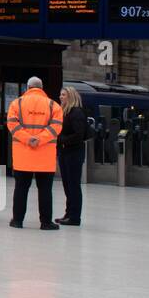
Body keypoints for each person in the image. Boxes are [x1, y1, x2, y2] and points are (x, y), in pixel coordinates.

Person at [7, 76, 63, 230]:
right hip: (45, 156)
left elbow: (12, 124)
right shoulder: (53, 106)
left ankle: (17, 220)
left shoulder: (16, 103)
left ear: (28, 87)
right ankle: (45, 222)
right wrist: (40, 139)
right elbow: (57, 127)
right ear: (41, 88)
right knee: (45, 190)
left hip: (22, 155)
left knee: (21, 189)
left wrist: (28, 139)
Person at [56, 85, 88, 226]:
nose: (60, 97)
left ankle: (75, 217)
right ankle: (68, 213)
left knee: (73, 185)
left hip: (73, 153)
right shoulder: (64, 112)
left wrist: (62, 139)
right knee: (67, 184)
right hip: (65, 152)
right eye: (61, 94)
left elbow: (79, 134)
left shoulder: (76, 113)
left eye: (63, 95)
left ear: (70, 97)